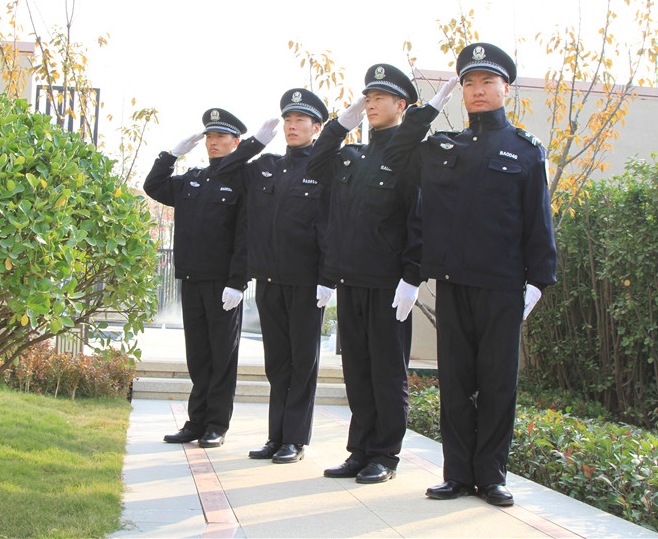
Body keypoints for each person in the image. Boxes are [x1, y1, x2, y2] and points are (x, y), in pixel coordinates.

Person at [384, 43, 558, 506]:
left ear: (506, 88)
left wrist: (538, 282)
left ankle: (492, 476)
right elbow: (396, 156)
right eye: (469, 83)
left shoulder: (525, 150)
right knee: (456, 381)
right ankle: (458, 474)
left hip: (502, 285)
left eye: (487, 81)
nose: (478, 90)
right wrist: (425, 111)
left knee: (498, 383)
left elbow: (538, 219)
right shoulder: (445, 146)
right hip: (453, 282)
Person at [306, 64, 421, 484]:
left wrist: (412, 276)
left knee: (387, 373)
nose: (371, 105)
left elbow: (418, 219)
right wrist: (340, 125)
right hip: (351, 280)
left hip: (389, 285)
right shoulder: (353, 154)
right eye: (367, 98)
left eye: (380, 98)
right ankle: (360, 450)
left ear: (401, 105)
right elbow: (315, 165)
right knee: (357, 372)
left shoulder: (409, 154)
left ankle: (385, 454)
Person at [217, 88, 336, 464]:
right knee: (277, 363)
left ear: (317, 127)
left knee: (302, 363)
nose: (292, 126)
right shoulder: (266, 165)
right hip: (269, 280)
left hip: (306, 282)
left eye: (301, 120)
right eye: (287, 119)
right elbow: (225, 170)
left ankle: (294, 440)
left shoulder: (324, 168)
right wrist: (255, 142)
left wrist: (327, 278)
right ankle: (276, 436)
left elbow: (330, 226)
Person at [143, 108, 250, 449]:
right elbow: (153, 186)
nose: (213, 142)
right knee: (198, 355)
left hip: (223, 285)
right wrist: (171, 155)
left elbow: (245, 235)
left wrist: (238, 282)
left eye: (221, 136)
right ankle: (196, 421)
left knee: (222, 356)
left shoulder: (242, 181)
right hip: (191, 279)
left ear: (237, 142)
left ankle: (216, 424)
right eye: (209, 136)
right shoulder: (194, 179)